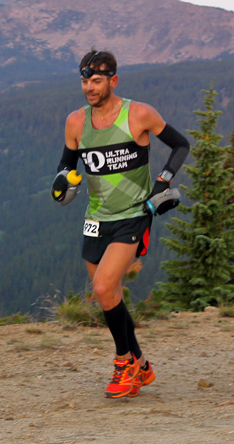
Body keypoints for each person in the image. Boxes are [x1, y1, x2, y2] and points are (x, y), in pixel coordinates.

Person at [52, 50, 189, 398]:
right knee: (108, 294)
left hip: (133, 213)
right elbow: (65, 166)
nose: (89, 88)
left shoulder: (138, 114)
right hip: (95, 218)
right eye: (85, 81)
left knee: (102, 288)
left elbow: (180, 144)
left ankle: (123, 362)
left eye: (96, 81)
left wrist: (163, 179)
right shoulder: (75, 122)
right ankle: (142, 366)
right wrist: (62, 185)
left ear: (113, 80)